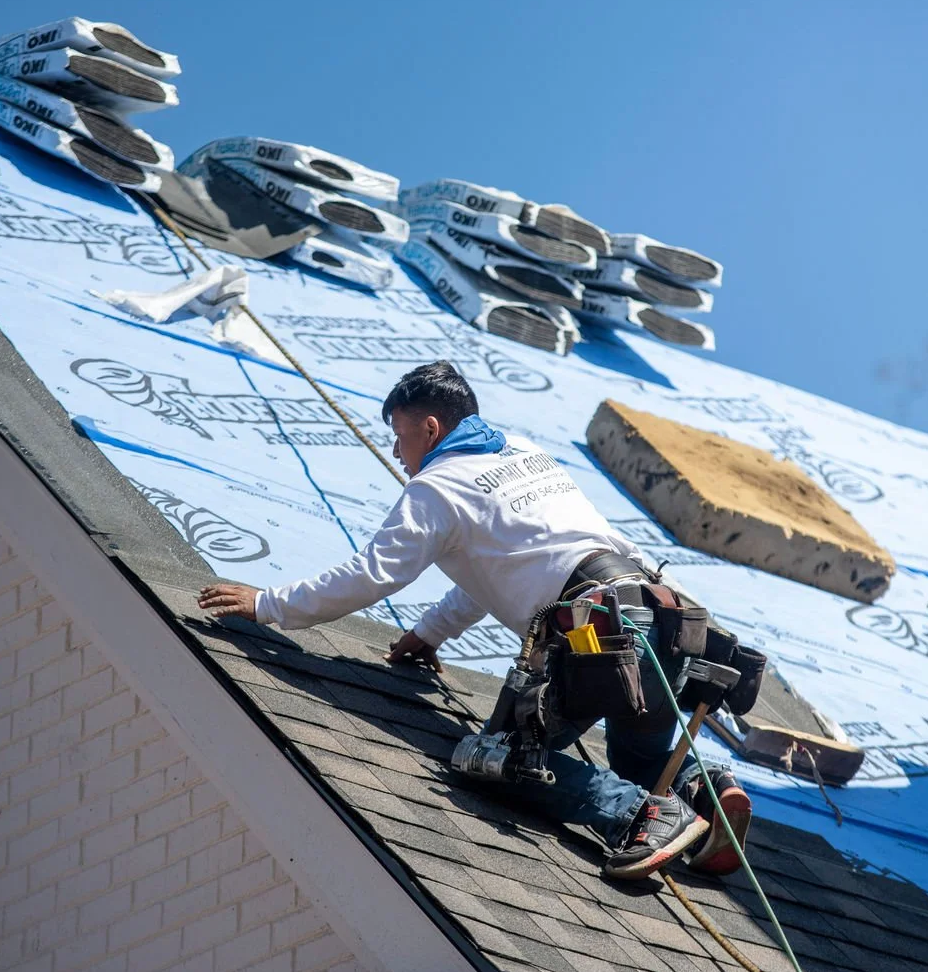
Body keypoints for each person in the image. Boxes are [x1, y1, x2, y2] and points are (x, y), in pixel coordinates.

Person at [199, 361, 751, 880]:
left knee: (493, 757)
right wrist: (429, 633)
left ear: (432, 430)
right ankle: (705, 793)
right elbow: (497, 573)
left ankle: (638, 816)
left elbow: (373, 575)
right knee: (642, 749)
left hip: (595, 639)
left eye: (400, 434)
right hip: (661, 620)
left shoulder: (437, 488)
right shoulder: (521, 452)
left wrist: (267, 603)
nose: (396, 450)